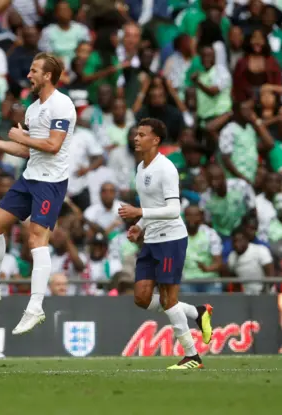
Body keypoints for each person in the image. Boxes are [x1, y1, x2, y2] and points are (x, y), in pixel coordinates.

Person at [0, 52, 76, 335]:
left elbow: (52, 146)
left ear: (48, 75)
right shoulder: (32, 108)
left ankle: (35, 308)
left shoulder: (62, 105)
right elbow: (25, 150)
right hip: (30, 176)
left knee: (37, 239)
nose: (29, 75)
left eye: (34, 70)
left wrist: (22, 137)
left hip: (51, 182)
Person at [117, 118, 212, 370]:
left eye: (141, 134)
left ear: (155, 140)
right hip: (151, 239)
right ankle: (197, 312)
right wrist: (141, 226)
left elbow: (173, 209)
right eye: (136, 134)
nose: (136, 138)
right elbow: (155, 208)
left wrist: (138, 210)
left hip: (171, 239)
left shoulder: (166, 169)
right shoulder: (140, 168)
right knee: (141, 297)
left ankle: (192, 357)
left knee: (169, 300)